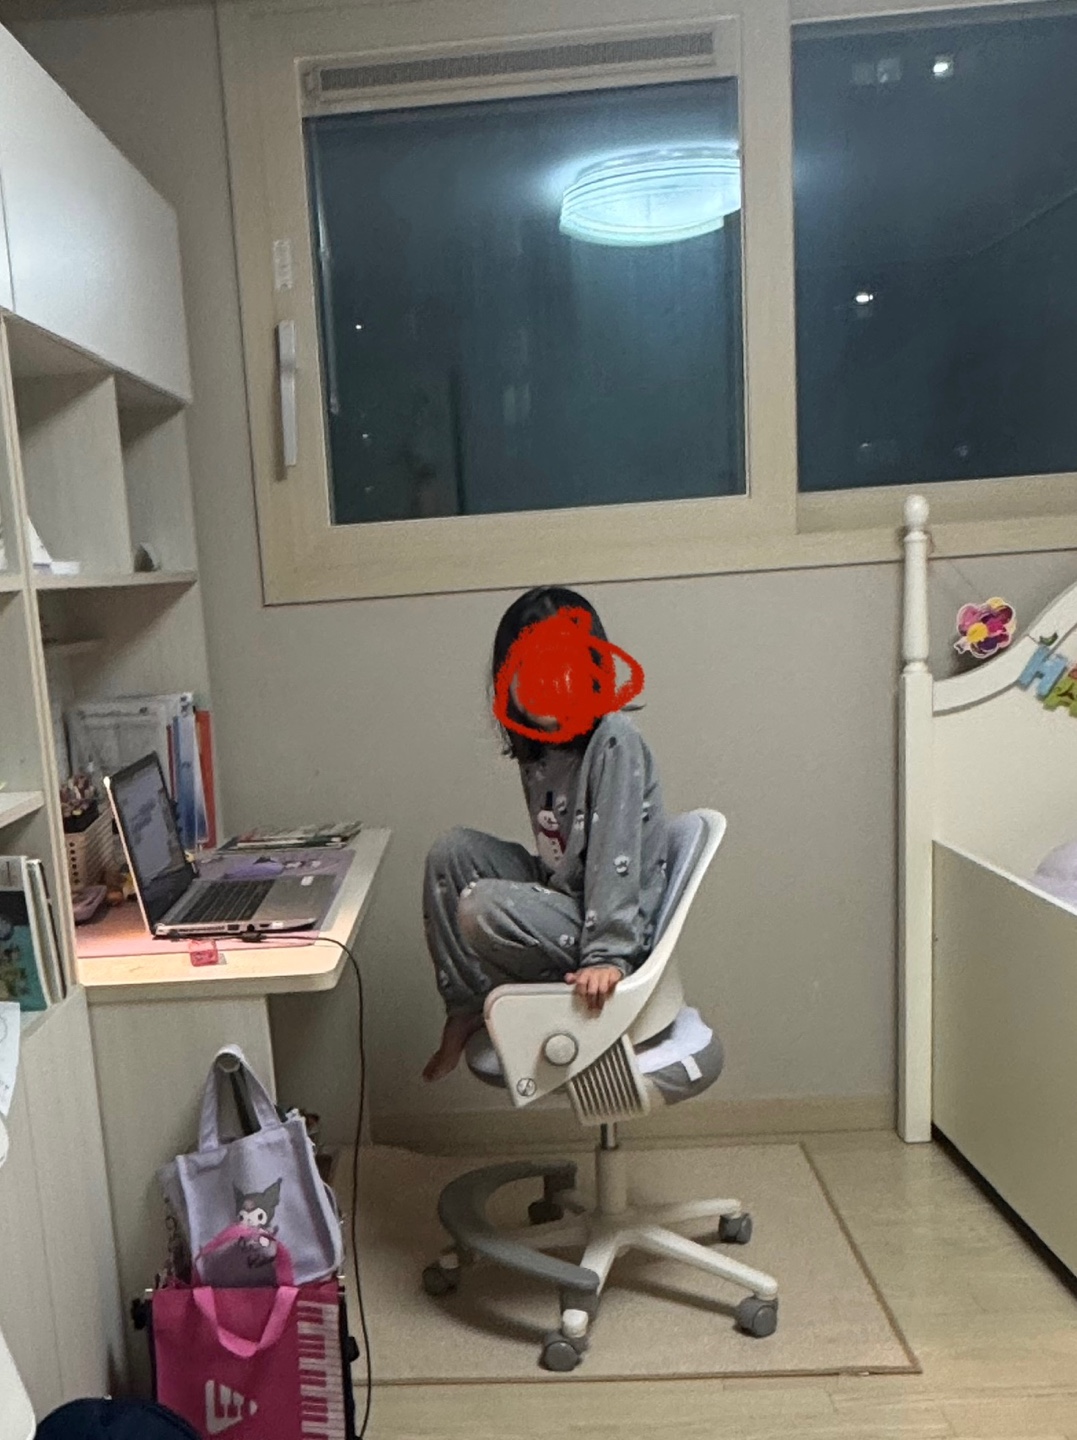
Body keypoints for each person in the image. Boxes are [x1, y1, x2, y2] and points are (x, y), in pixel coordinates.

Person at [422, 586, 669, 1082]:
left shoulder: (614, 739)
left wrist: (609, 955)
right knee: (451, 853)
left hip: (612, 922)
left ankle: (584, 966)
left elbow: (616, 858)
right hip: (568, 898)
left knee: (481, 906)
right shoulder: (541, 749)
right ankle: (467, 1004)